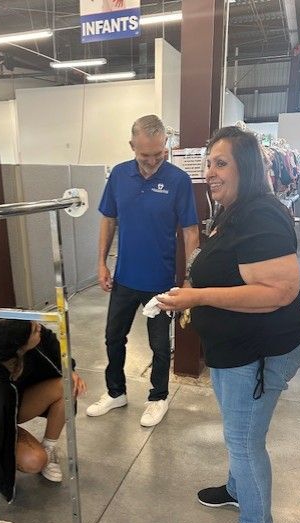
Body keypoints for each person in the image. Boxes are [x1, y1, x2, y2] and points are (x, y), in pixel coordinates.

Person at [157, 126, 300, 523]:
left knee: (244, 439)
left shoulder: (262, 214)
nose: (210, 173)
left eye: (220, 163)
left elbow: (278, 291)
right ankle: (237, 488)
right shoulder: (232, 211)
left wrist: (198, 296)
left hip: (259, 352)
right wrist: (191, 288)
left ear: (246, 168)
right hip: (234, 351)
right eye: (208, 163)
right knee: (238, 431)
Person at [86, 114, 199, 427]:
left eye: (158, 153)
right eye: (144, 154)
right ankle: (115, 392)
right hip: (124, 277)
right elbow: (108, 219)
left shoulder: (178, 180)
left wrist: (190, 277)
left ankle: (158, 397)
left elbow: (190, 230)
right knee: (113, 338)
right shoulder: (119, 176)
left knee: (160, 346)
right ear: (132, 145)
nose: (151, 161)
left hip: (160, 282)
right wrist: (101, 262)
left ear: (166, 146)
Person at [0, 318, 86, 523]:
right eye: (33, 330)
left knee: (66, 385)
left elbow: (52, 343)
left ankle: (49, 447)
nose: (39, 327)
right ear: (18, 345)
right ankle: (33, 451)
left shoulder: (29, 341)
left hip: (17, 403)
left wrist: (69, 369)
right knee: (35, 461)